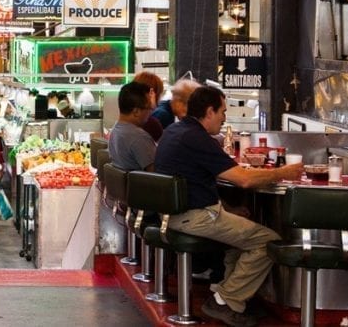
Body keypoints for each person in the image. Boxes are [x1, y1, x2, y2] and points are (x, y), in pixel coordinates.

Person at [154, 86, 303, 327]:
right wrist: (284, 172)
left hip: (174, 213)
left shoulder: (175, 130)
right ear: (209, 111)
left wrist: (229, 210)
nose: (224, 118)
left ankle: (230, 298)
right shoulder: (198, 138)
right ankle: (225, 298)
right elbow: (244, 179)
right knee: (267, 242)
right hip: (193, 217)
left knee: (240, 241)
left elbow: (195, 180)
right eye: (222, 112)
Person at [107, 81, 157, 171]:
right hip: (139, 185)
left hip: (123, 185)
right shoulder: (139, 137)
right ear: (136, 112)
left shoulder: (115, 130)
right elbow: (157, 175)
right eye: (149, 108)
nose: (150, 112)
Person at [133, 72, 165, 140]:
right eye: (159, 94)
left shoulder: (125, 120)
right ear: (151, 95)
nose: (160, 99)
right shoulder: (152, 125)